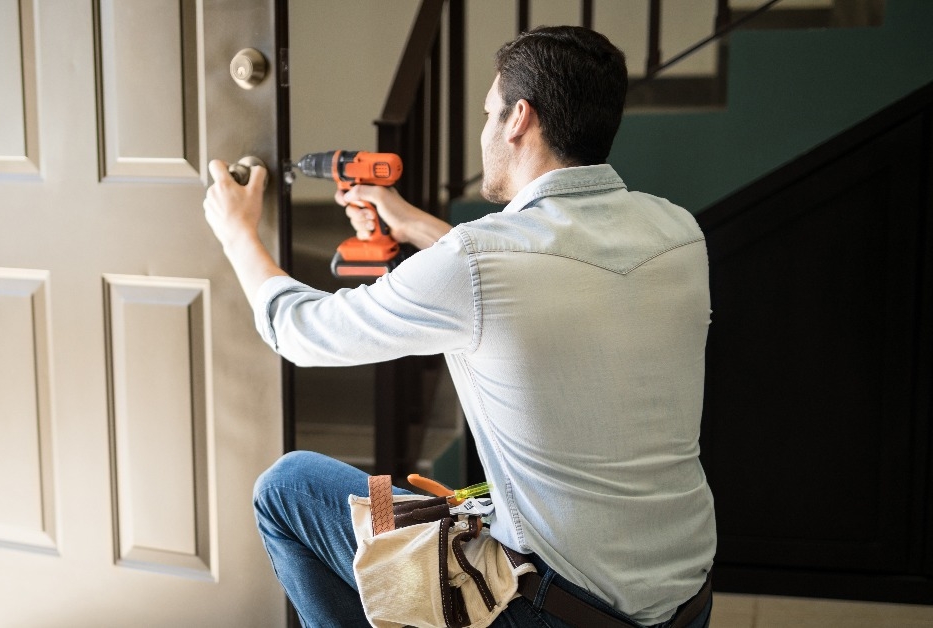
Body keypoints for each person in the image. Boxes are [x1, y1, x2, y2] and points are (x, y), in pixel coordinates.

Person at [203, 25, 715, 628]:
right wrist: (411, 223)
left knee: (289, 487)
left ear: (519, 119)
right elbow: (541, 278)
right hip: (686, 600)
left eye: (487, 113)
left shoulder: (478, 260)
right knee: (416, 509)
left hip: (554, 612)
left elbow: (299, 331)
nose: (483, 131)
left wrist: (239, 233)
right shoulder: (678, 232)